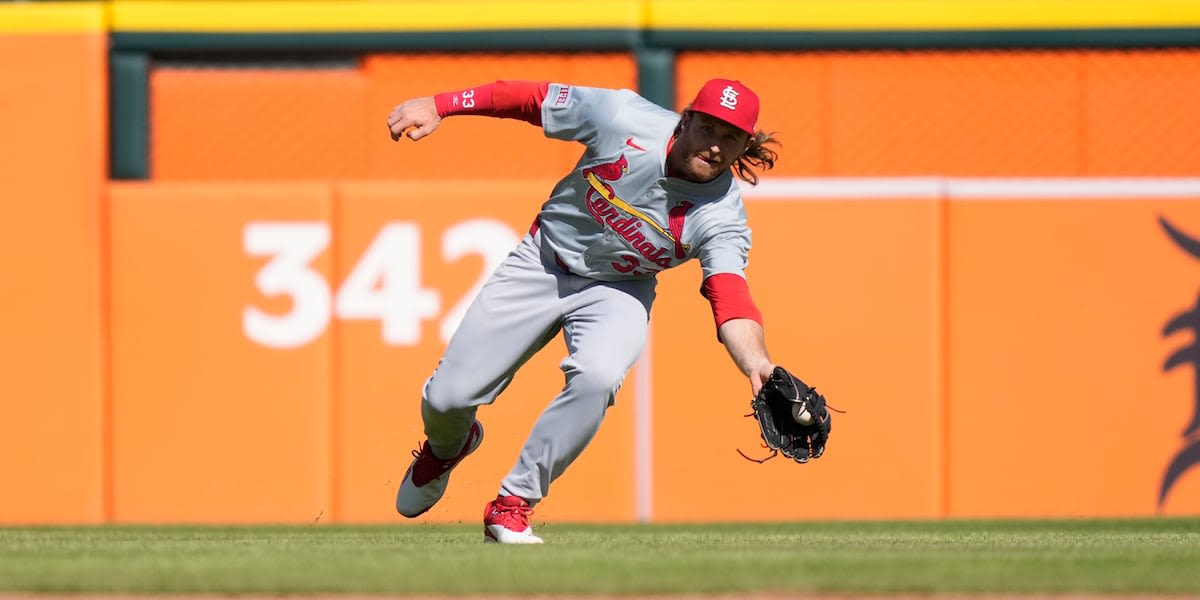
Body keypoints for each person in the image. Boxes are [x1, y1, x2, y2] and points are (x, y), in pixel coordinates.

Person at [386, 78, 781, 544]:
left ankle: (513, 505)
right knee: (447, 399)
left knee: (598, 375)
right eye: (709, 128)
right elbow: (531, 99)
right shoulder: (621, 117)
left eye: (731, 137)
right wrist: (441, 102)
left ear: (744, 146)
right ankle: (447, 448)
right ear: (687, 118)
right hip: (544, 258)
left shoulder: (721, 215)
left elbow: (729, 295)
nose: (715, 146)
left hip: (621, 288)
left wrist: (757, 364)